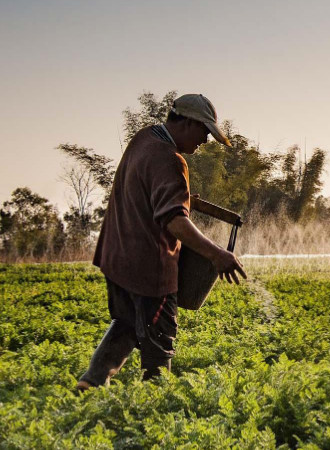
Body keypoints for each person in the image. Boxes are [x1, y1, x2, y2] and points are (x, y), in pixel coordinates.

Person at [77, 94, 247, 391]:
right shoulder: (170, 159)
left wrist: (183, 199)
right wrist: (217, 254)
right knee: (160, 340)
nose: (205, 140)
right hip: (149, 268)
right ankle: (157, 405)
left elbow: (145, 193)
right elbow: (174, 221)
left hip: (117, 258)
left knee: (128, 323)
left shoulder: (143, 140)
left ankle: (89, 384)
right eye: (204, 132)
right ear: (189, 122)